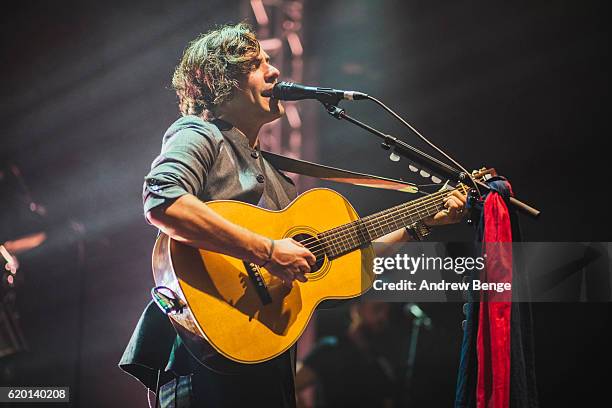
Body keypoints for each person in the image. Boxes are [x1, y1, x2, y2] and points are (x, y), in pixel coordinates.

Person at [119, 23, 466, 408]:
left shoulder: (281, 183)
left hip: (268, 363)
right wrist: (267, 250)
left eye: (268, 61)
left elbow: (337, 272)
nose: (274, 71)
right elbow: (163, 200)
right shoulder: (200, 135)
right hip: (206, 363)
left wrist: (419, 227)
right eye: (256, 64)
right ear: (222, 82)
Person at [296, 302, 396, 408]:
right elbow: (292, 386)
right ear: (357, 310)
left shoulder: (380, 363)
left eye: (387, 314)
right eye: (377, 309)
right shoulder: (330, 349)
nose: (382, 318)